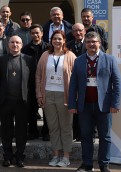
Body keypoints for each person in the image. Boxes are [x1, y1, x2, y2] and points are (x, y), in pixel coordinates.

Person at [68, 32, 121, 172]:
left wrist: (115, 104)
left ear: (99, 43)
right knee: (85, 136)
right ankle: (87, 164)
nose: (91, 44)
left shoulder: (110, 60)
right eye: (89, 42)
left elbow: (117, 83)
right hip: (84, 105)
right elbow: (73, 84)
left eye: (94, 41)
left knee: (105, 136)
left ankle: (104, 164)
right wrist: (72, 104)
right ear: (85, 44)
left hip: (103, 105)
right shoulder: (79, 60)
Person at [36, 30, 76, 168]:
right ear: (51, 41)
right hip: (48, 94)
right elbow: (38, 76)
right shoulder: (45, 55)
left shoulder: (70, 56)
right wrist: (39, 94)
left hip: (64, 95)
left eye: (60, 39)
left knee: (65, 127)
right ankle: (55, 155)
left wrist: (74, 97)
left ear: (64, 40)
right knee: (53, 127)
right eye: (54, 39)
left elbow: (76, 77)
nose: (57, 41)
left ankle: (65, 156)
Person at [0, 36, 36, 168]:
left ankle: (19, 156)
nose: (15, 44)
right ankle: (7, 156)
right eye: (12, 42)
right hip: (6, 101)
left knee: (21, 131)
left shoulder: (28, 60)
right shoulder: (1, 60)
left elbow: (32, 81)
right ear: (8, 45)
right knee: (6, 131)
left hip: (22, 102)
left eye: (17, 42)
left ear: (22, 44)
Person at [21, 24, 50, 141]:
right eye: (33, 33)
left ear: (42, 33)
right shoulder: (25, 49)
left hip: (47, 82)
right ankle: (32, 131)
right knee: (31, 109)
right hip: (30, 82)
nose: (35, 35)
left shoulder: (49, 48)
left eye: (37, 33)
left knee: (47, 109)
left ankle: (46, 132)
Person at [65, 23, 87, 141]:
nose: (78, 33)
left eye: (80, 31)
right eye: (75, 31)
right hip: (72, 80)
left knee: (86, 108)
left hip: (87, 81)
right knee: (74, 108)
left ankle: (89, 133)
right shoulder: (68, 46)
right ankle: (76, 133)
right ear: (72, 33)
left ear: (84, 31)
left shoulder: (90, 44)